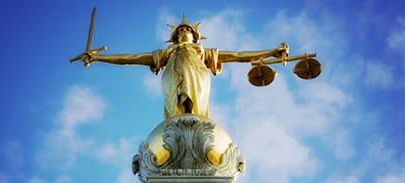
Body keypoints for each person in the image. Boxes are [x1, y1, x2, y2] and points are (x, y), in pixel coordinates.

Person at [80, 17, 288, 118]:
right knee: (176, 111)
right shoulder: (166, 54)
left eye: (188, 30)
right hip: (172, 75)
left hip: (198, 75)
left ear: (195, 36)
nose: (184, 31)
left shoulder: (202, 52)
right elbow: (131, 58)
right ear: (174, 37)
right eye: (181, 30)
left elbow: (238, 55)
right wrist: (99, 58)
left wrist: (270, 52)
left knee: (195, 109)